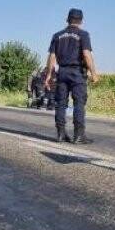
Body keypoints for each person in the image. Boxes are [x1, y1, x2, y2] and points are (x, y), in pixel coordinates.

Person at [44, 8, 98, 143]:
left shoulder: (57, 35)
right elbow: (86, 54)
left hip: (62, 72)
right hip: (77, 73)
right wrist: (93, 73)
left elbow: (52, 56)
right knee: (79, 103)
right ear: (81, 21)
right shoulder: (83, 34)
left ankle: (61, 134)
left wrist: (49, 75)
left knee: (61, 104)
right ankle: (79, 135)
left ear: (67, 19)